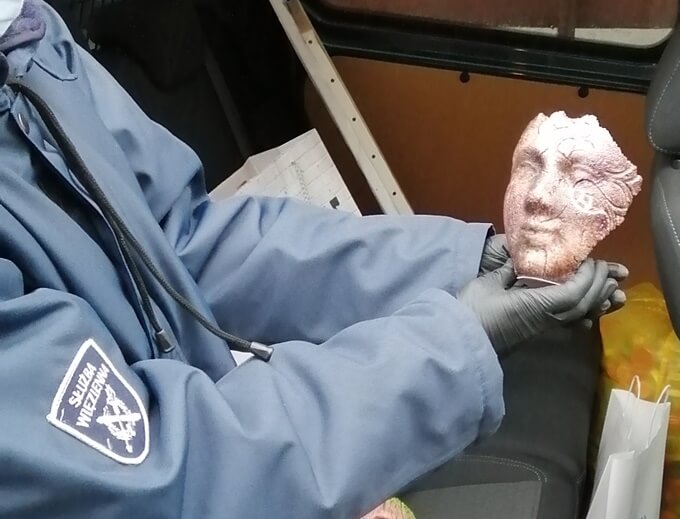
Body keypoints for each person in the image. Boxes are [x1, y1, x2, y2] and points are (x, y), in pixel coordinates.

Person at [0, 1, 627, 517]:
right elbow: (164, 479)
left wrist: (461, 261)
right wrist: (454, 342)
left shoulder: (26, 42)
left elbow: (180, 241)